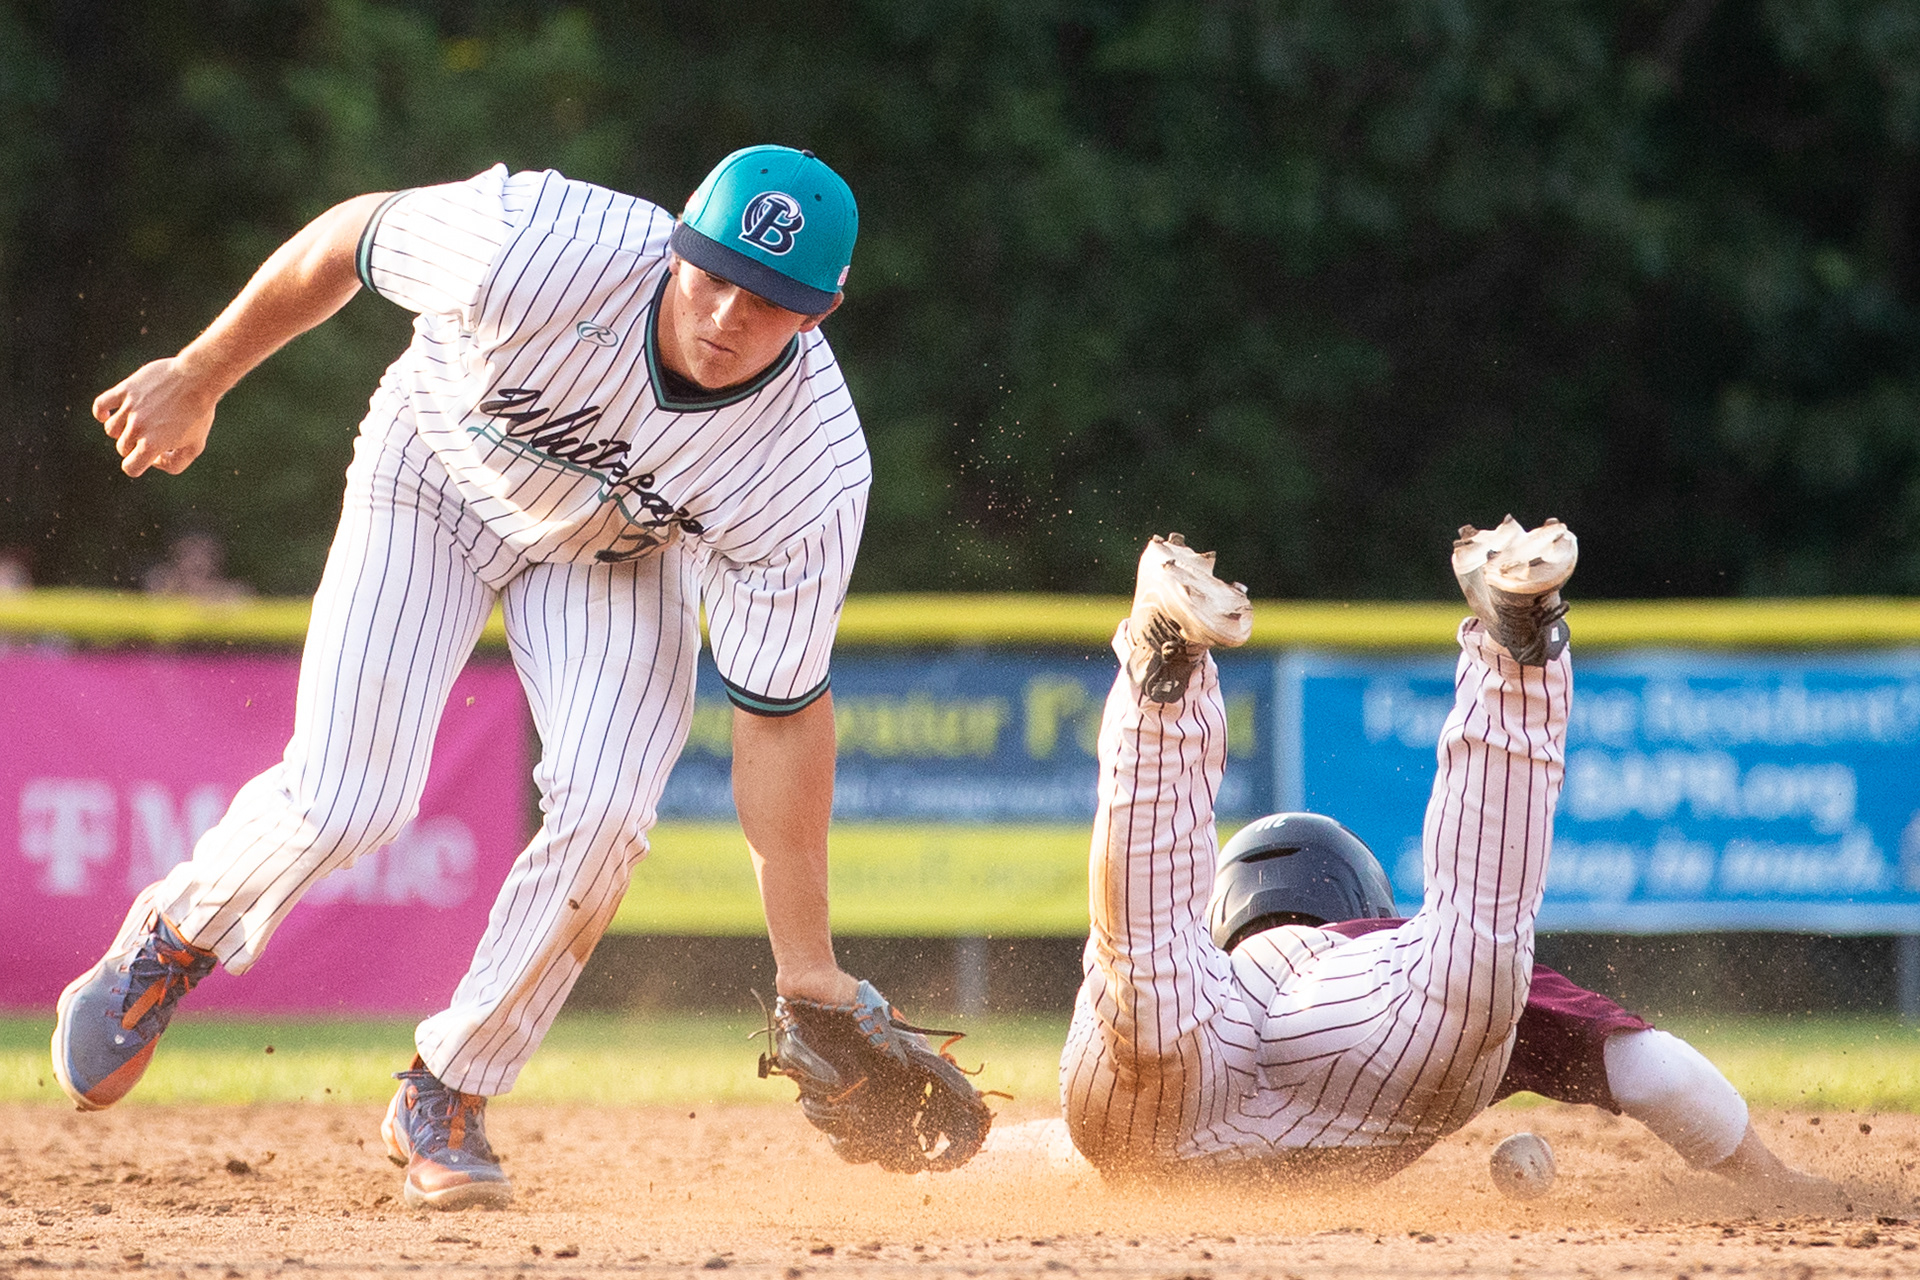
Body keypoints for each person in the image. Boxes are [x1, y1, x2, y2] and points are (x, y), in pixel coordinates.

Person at [56, 146, 873, 1210]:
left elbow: (779, 716)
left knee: (611, 809)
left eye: (768, 300)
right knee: (350, 797)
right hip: (435, 474)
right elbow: (349, 235)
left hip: (615, 555)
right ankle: (173, 937)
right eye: (711, 271)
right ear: (677, 240)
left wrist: (806, 965)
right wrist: (202, 373)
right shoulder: (541, 241)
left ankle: (448, 1090)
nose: (725, 312)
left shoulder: (810, 465)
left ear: (823, 312)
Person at [1059, 522, 1826, 1191]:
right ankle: (1515, 655)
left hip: (1150, 1104)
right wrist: (1772, 1183)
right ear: (1362, 905)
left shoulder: (1217, 966)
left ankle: (1161, 683)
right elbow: (1658, 1072)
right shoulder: (1364, 946)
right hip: (1349, 1066)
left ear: (1228, 912)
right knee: (1474, 958)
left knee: (1147, 974)